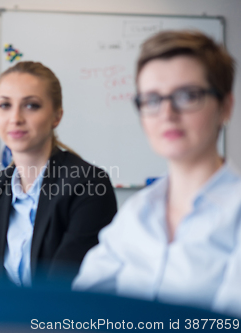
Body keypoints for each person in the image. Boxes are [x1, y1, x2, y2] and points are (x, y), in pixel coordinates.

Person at [73, 31, 240, 317]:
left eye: (187, 95)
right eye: (151, 99)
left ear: (225, 107)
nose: (167, 112)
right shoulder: (136, 213)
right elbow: (81, 307)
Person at [0, 61, 118, 289]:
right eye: (5, 105)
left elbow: (64, 288)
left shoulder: (89, 184)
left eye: (31, 106)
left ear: (56, 116)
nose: (15, 118)